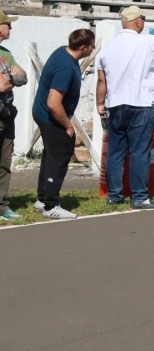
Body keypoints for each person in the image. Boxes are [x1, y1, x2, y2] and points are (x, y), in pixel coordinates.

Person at [97, 7, 154, 209]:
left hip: (115, 105)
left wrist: (100, 103)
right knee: (139, 152)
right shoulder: (146, 42)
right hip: (140, 104)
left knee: (115, 152)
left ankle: (114, 195)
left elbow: (102, 81)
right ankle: (139, 196)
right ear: (138, 22)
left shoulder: (107, 48)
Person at [30, 29, 96, 219]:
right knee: (60, 156)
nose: (93, 49)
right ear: (83, 47)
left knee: (51, 155)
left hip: (42, 112)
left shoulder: (62, 51)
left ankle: (42, 198)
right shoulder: (65, 67)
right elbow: (53, 103)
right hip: (51, 116)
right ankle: (50, 206)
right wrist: (68, 126)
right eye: (91, 46)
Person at [0, 10, 28, 221]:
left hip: (6, 114)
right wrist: (12, 78)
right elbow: (2, 86)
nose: (10, 27)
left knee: (5, 162)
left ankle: (2, 206)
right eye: (7, 24)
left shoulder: (6, 53)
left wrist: (10, 78)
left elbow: (23, 76)